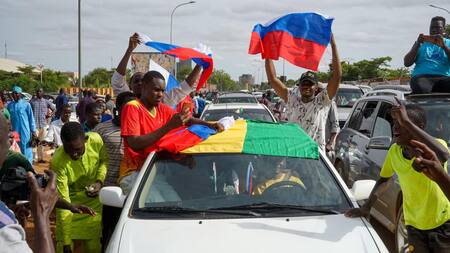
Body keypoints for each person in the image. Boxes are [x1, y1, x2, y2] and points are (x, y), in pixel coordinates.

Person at [345, 99, 450, 253]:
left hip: (442, 224)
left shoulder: (435, 147)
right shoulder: (394, 151)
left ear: (417, 128)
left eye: (402, 124)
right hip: (414, 226)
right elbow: (384, 179)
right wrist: (367, 207)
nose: (395, 127)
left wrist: (406, 121)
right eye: (394, 123)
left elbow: (443, 155)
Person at [119, 71, 224, 194]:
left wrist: (209, 125)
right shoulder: (132, 107)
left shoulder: (160, 108)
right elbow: (134, 143)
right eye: (156, 90)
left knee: (173, 201)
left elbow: (186, 119)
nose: (160, 95)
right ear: (144, 87)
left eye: (163, 91)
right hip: (134, 173)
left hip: (153, 171)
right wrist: (168, 127)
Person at [265, 34, 342, 150]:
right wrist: (268, 53)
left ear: (316, 87)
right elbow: (273, 79)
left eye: (310, 84)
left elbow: (337, 76)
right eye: (304, 84)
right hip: (295, 155)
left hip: (316, 157)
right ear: (299, 86)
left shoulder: (322, 102)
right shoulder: (291, 99)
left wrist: (333, 45)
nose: (307, 87)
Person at [51, 122, 107, 253]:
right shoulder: (58, 162)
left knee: (93, 247)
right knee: (64, 248)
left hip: (93, 205)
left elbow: (104, 161)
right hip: (69, 205)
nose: (73, 155)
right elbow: (63, 200)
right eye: (68, 149)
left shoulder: (96, 140)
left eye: (77, 149)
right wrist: (66, 242)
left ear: (85, 140)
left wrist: (99, 181)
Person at [111, 33, 203, 107]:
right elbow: (118, 79)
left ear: (148, 86)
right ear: (130, 86)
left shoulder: (160, 102)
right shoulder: (126, 99)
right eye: (136, 81)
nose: (139, 83)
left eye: (143, 81)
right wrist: (129, 50)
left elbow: (184, 88)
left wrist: (201, 62)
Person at [93, 91, 135, 250]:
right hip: (109, 189)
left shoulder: (140, 128)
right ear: (117, 108)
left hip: (133, 190)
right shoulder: (101, 129)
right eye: (128, 108)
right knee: (109, 231)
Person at [404, 16, 450, 94]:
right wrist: (417, 44)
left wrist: (444, 47)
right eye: (432, 27)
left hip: (444, 77)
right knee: (420, 86)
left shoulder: (448, 43)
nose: (434, 30)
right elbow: (407, 63)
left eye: (438, 27)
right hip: (422, 77)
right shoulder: (420, 43)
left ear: (444, 29)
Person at [7, 86, 37, 164]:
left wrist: (33, 132)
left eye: (16, 93)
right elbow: (7, 119)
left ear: (20, 94)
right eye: (13, 93)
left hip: (25, 132)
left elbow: (31, 119)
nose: (14, 95)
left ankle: (29, 167)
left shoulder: (26, 104)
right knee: (17, 149)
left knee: (27, 149)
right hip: (15, 133)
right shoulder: (10, 105)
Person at [30, 88, 55, 163]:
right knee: (34, 143)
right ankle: (33, 159)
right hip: (34, 126)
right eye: (37, 91)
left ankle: (40, 158)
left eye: (40, 91)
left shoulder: (46, 102)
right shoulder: (32, 102)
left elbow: (54, 109)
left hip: (43, 125)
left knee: (41, 143)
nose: (38, 92)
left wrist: (50, 115)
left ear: (43, 92)